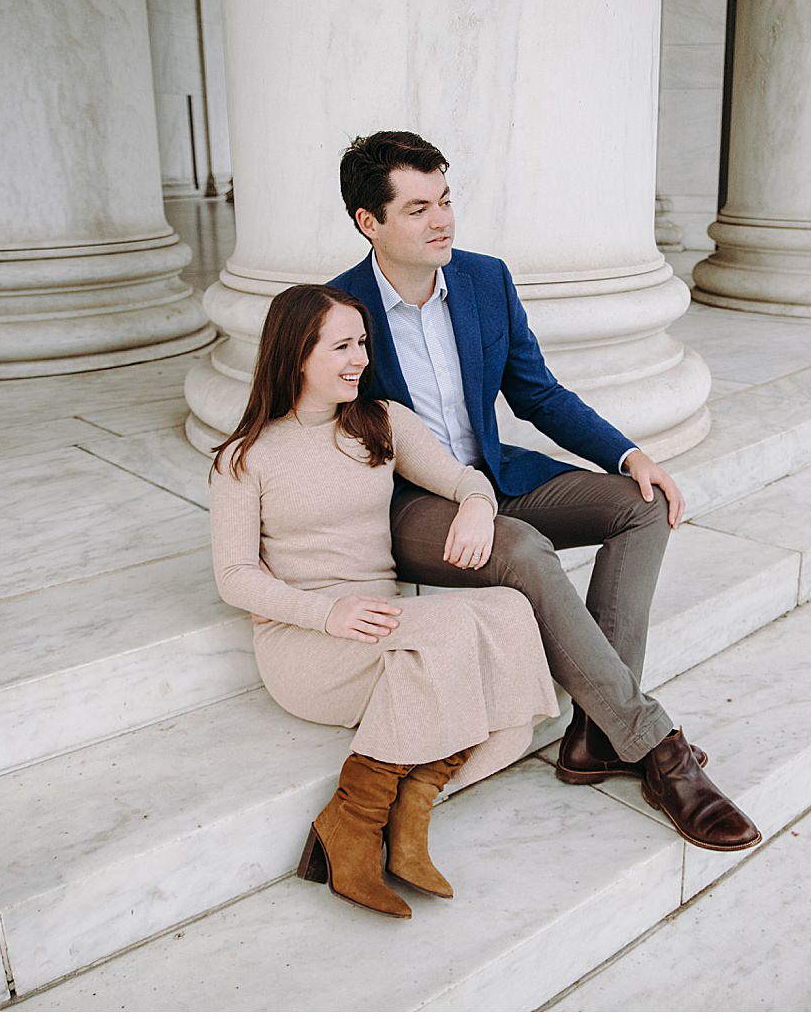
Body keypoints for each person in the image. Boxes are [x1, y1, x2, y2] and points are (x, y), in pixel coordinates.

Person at [328, 130, 761, 852]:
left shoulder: (484, 280)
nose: (442, 221)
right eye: (416, 208)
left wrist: (629, 453)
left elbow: (537, 393)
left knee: (641, 506)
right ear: (369, 222)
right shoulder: (336, 308)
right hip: (410, 509)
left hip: (495, 481)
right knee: (523, 547)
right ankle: (657, 749)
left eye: (445, 200)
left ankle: (595, 733)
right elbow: (308, 428)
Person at [209, 283, 560, 919]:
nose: (359, 359)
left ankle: (402, 810)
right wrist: (327, 612)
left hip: (388, 626)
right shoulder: (244, 458)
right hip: (309, 645)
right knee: (450, 637)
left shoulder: (382, 422)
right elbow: (234, 575)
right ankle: (368, 819)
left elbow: (460, 476)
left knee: (511, 612)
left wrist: (479, 505)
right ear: (295, 355)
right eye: (341, 346)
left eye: (362, 343)